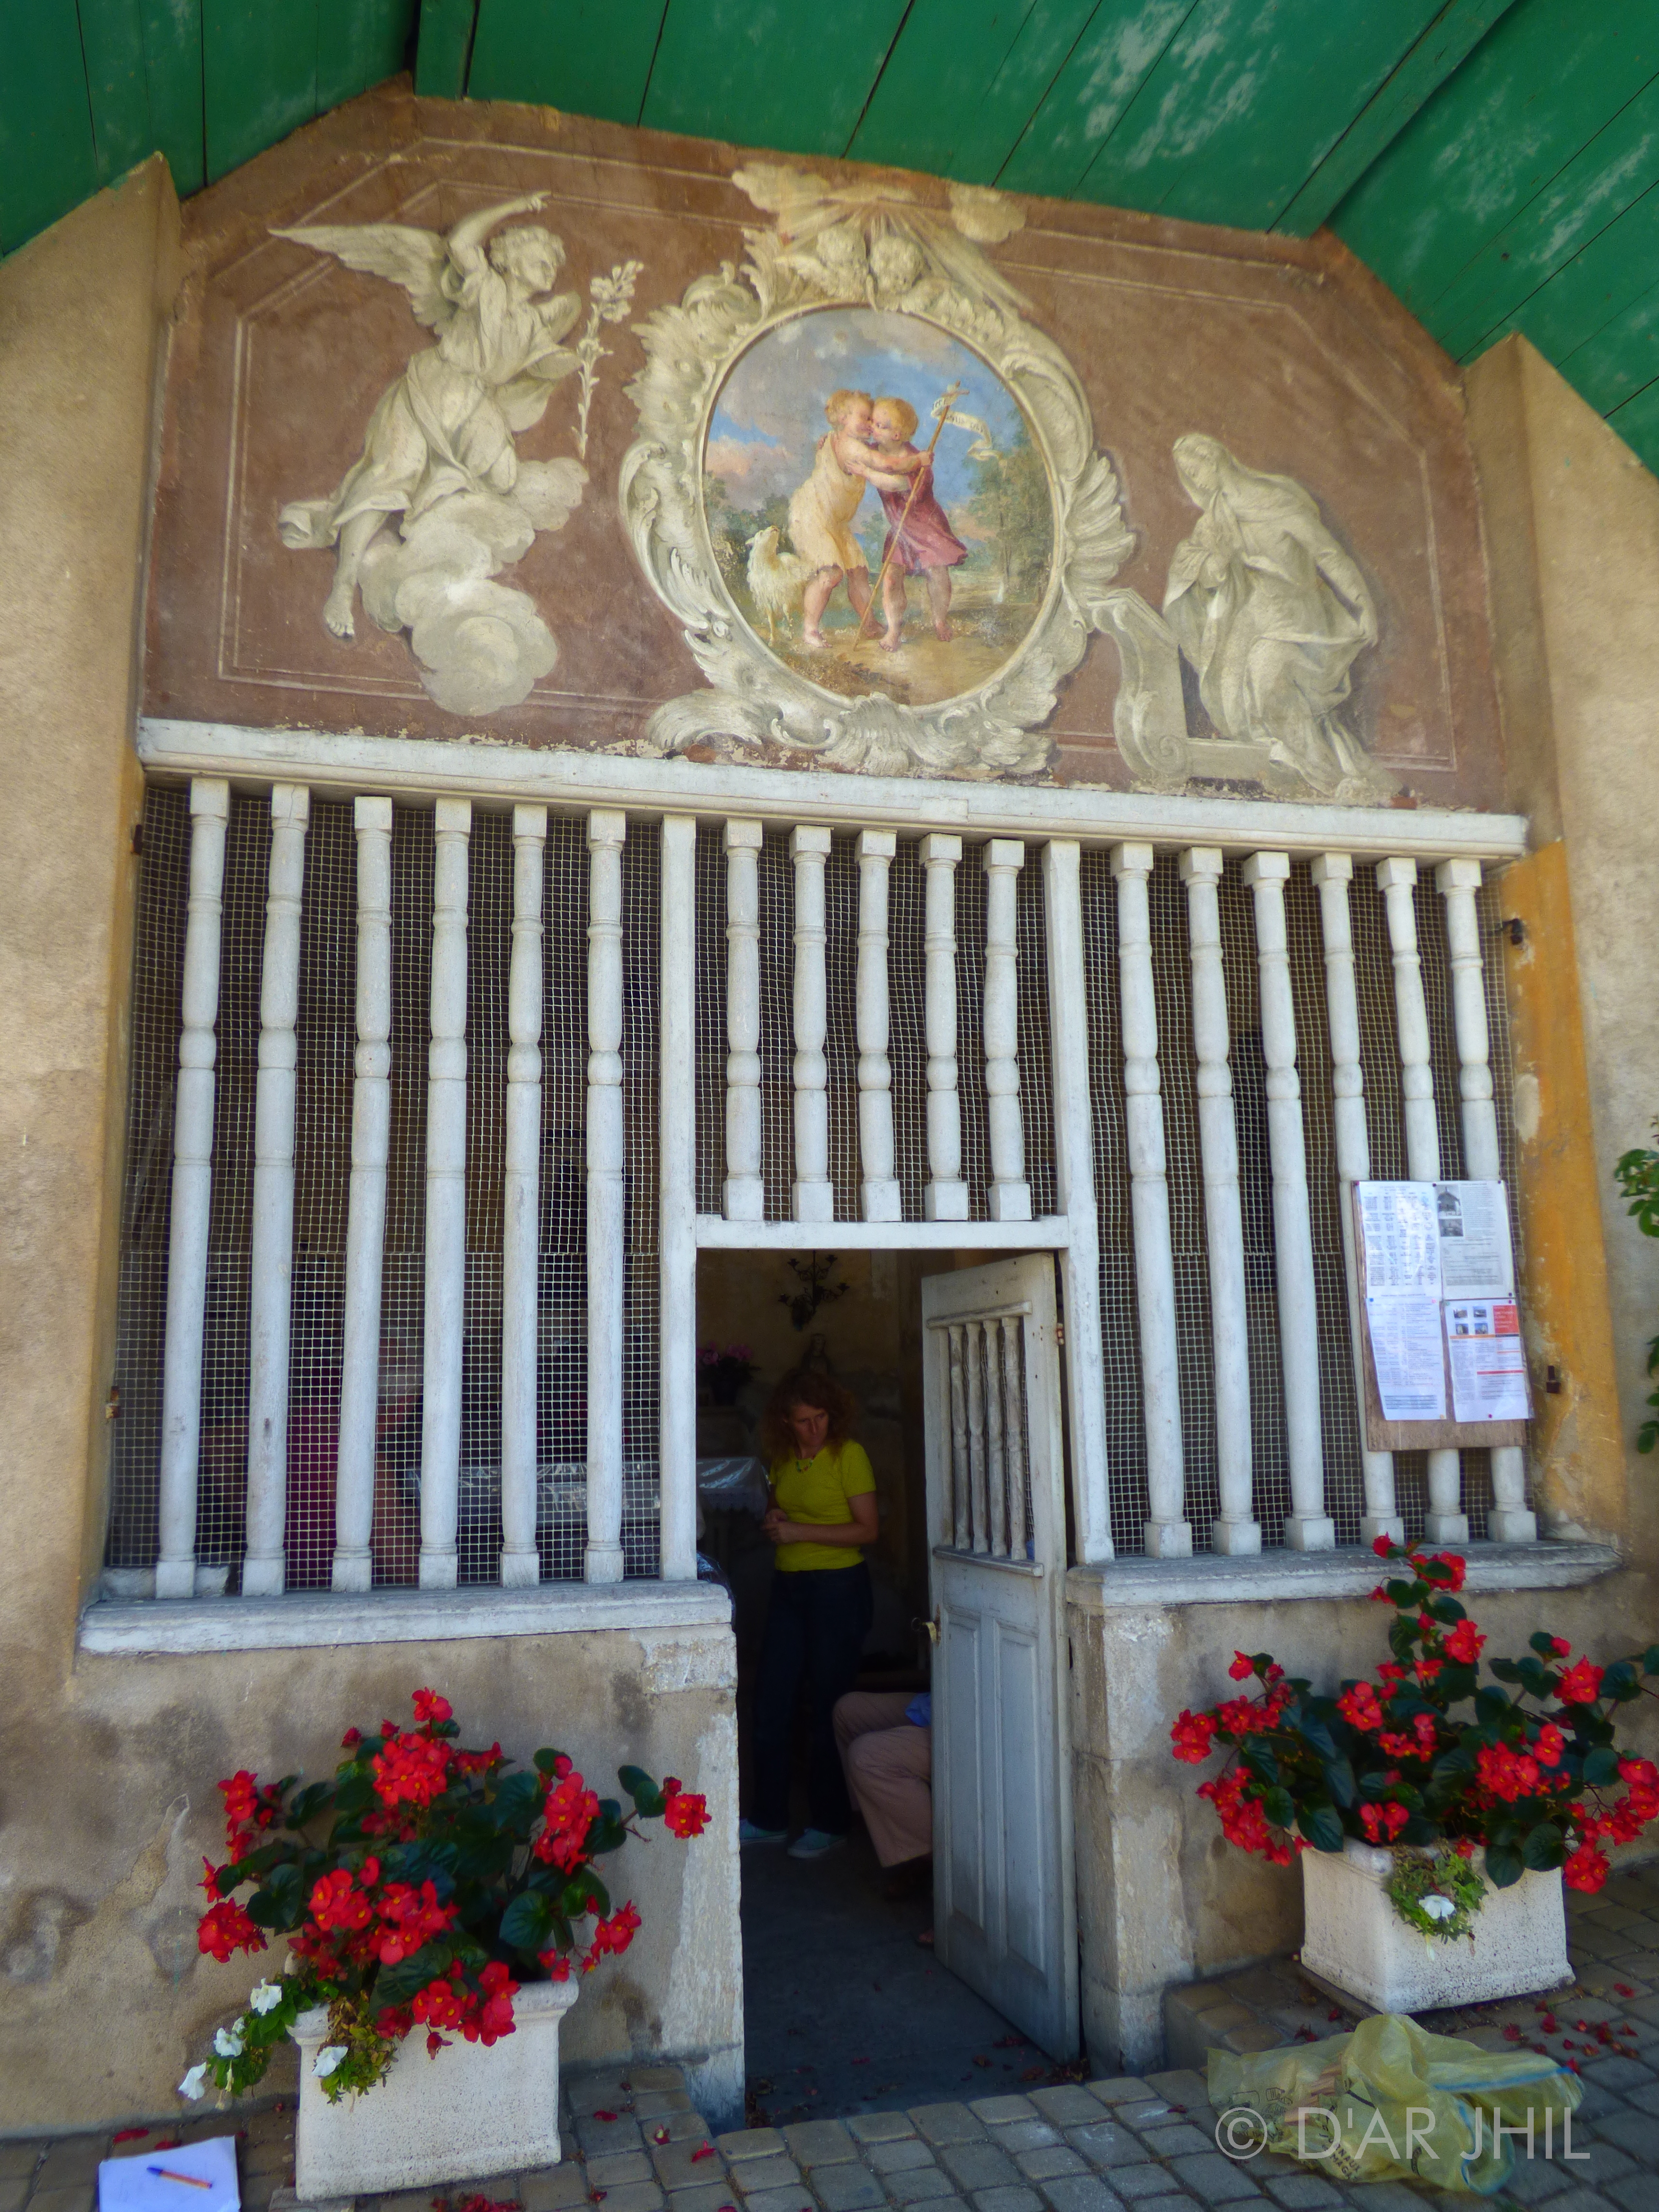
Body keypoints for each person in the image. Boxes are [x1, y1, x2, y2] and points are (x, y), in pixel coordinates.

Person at [741, 1369, 878, 1859]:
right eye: (804, 1421)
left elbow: (868, 1531)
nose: (815, 1429)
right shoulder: (782, 1457)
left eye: (821, 1418)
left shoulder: (849, 1455)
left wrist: (800, 1533)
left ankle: (830, 1822)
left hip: (838, 1590)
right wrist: (775, 1522)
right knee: (771, 1702)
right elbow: (777, 1513)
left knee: (828, 1706)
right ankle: (768, 1818)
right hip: (790, 1589)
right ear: (785, 1421)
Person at [862, 395, 967, 649]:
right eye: (873, 422)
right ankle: (894, 631)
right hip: (899, 529)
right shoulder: (873, 450)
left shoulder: (919, 462)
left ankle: (940, 620)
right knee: (891, 578)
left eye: (879, 425)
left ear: (897, 435)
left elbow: (893, 483)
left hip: (925, 527)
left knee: (937, 572)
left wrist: (865, 472)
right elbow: (848, 445)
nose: (871, 428)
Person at [789, 389, 879, 648]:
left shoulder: (838, 441)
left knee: (859, 571)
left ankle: (869, 623)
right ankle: (810, 630)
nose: (870, 424)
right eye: (864, 417)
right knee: (831, 573)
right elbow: (883, 464)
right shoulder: (851, 447)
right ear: (842, 418)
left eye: (873, 420)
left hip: (835, 522)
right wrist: (914, 462)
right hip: (811, 515)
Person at [833, 1688, 933, 1898]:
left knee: (867, 1758)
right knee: (848, 1710)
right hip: (936, 1703)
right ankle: (892, 1834)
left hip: (973, 1720)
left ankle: (940, 1867)